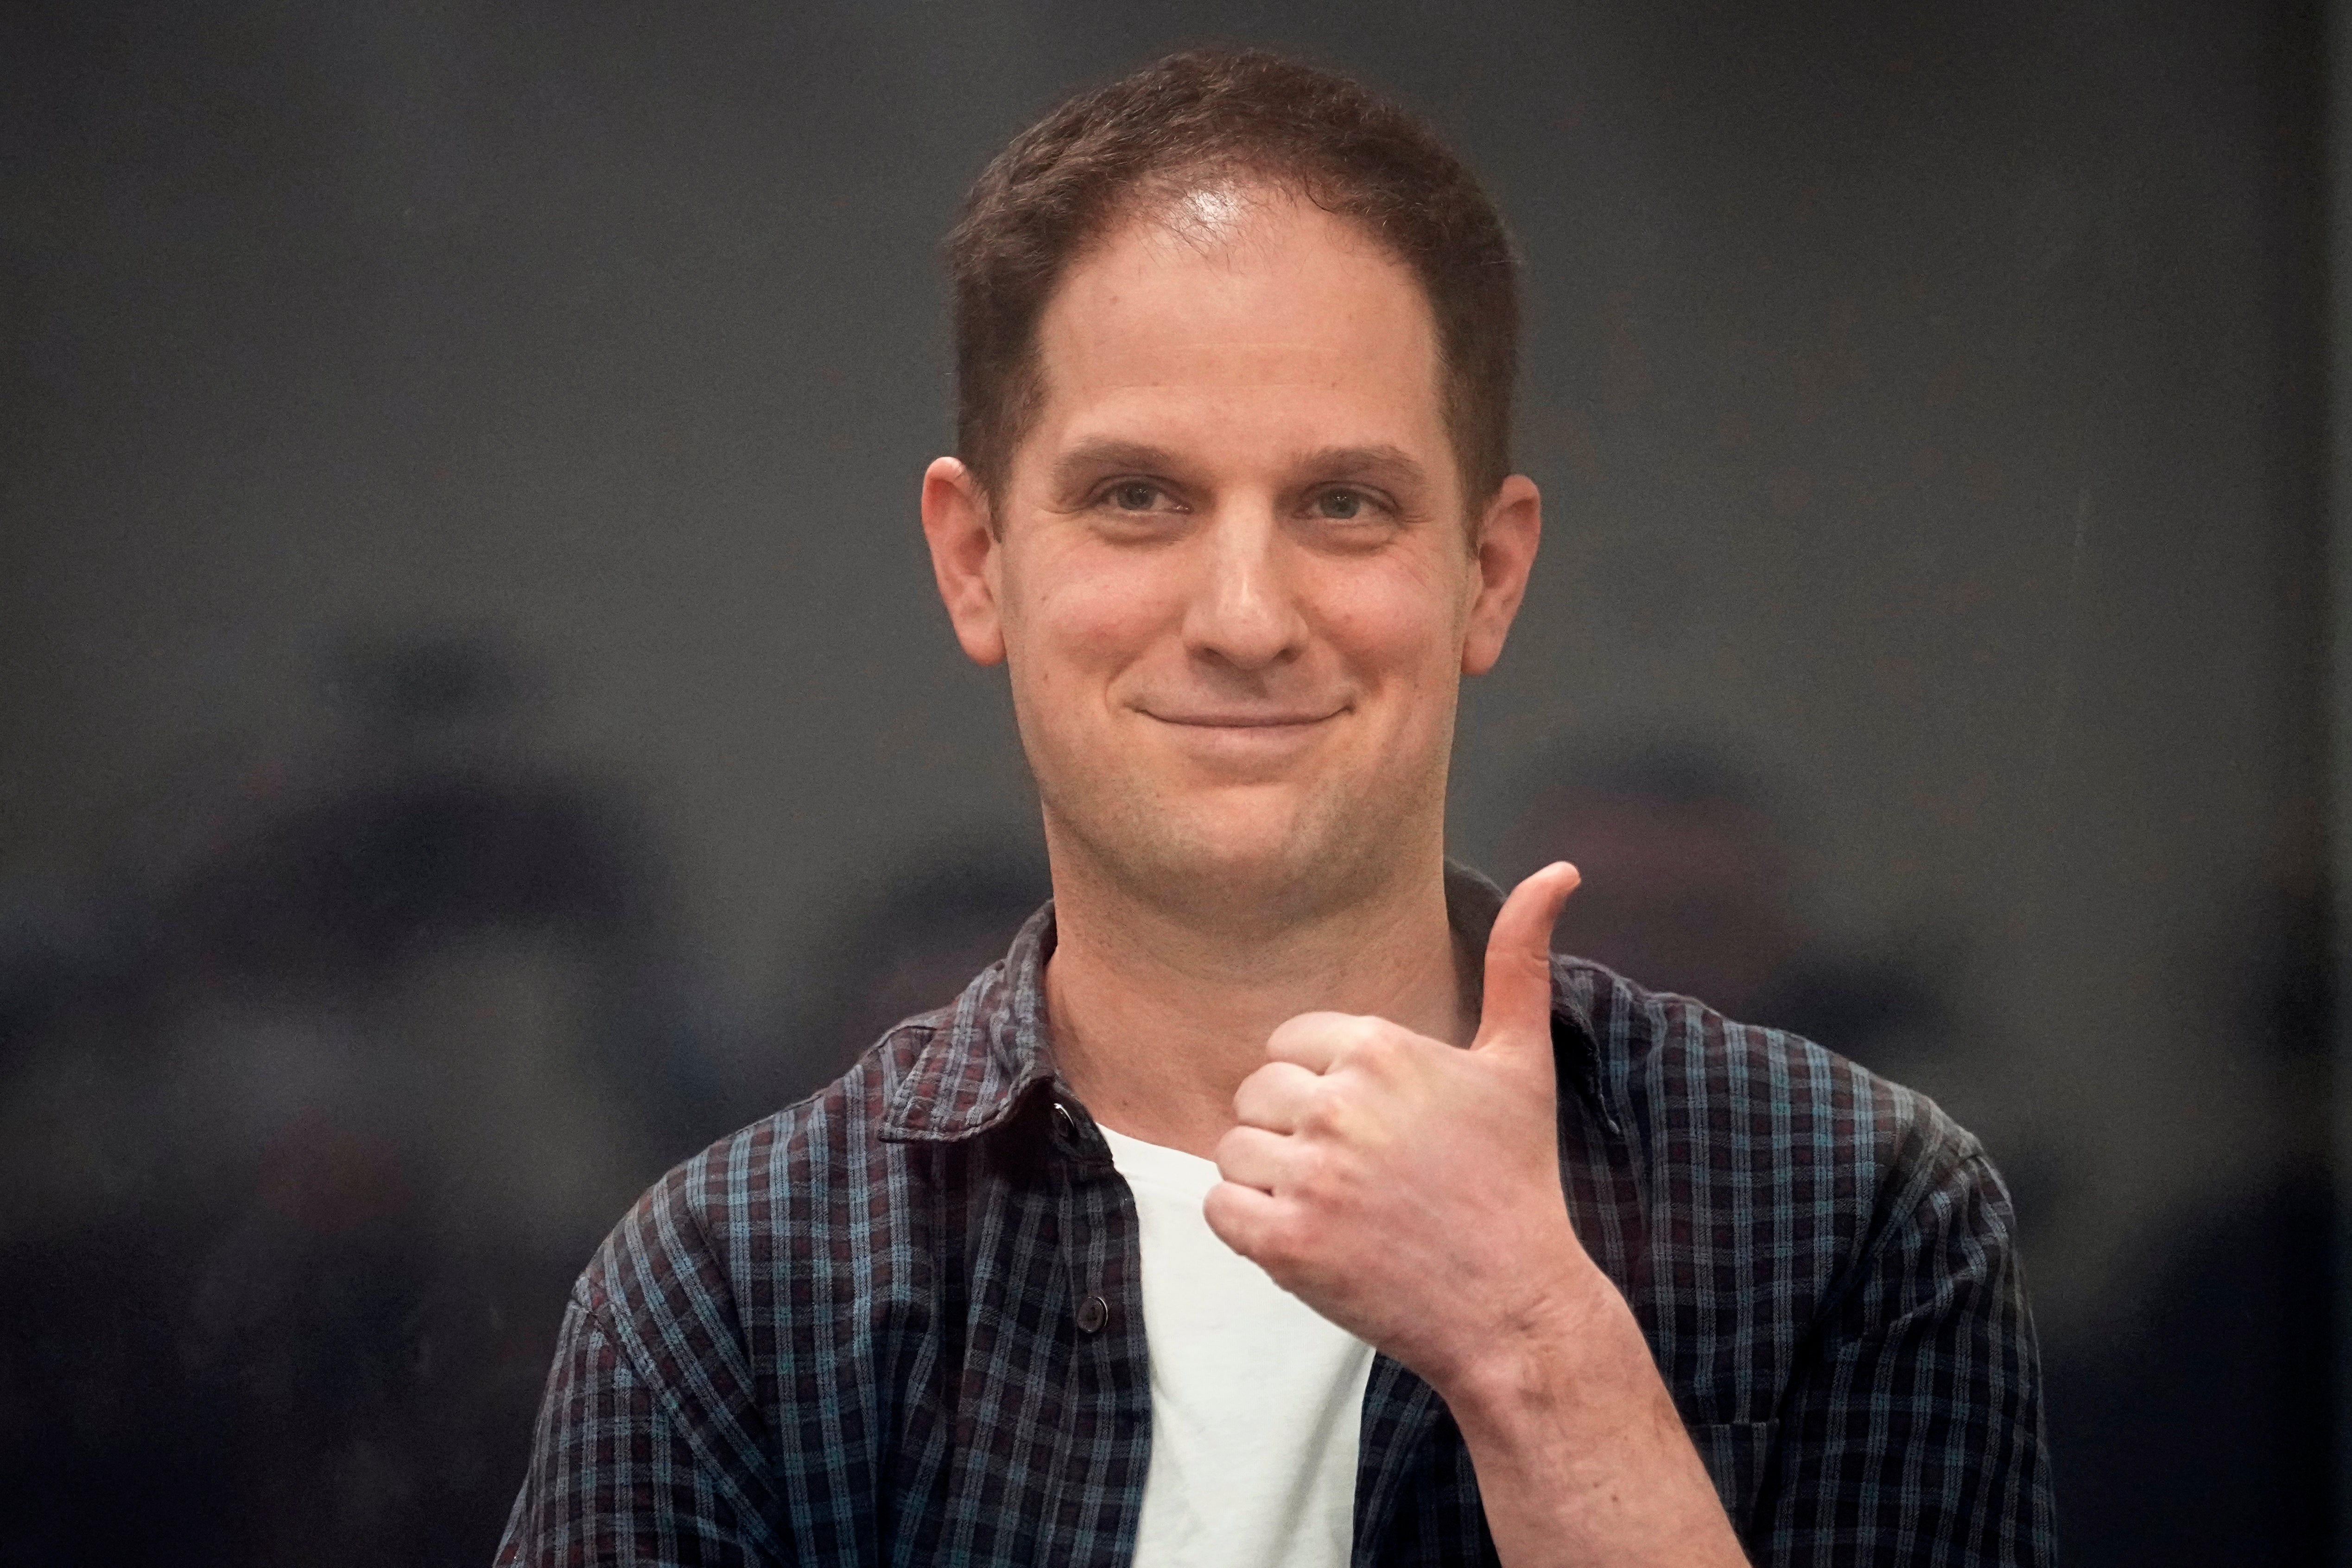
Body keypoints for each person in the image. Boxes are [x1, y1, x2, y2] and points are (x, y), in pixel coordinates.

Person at [497, 46, 2052, 1567]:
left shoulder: (1853, 1210)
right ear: (976, 560)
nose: (1244, 616)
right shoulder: (732, 1289)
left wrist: (1534, 1348)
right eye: (1137, 497)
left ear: (1487, 575)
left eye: (1343, 504)